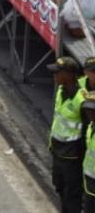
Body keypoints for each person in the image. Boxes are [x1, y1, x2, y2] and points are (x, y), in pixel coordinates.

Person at [49, 55, 86, 213]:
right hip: (57, 149)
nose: (55, 75)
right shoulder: (61, 90)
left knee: (72, 195)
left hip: (72, 156)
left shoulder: (81, 99)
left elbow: (87, 131)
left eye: (58, 72)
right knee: (59, 186)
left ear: (70, 75)